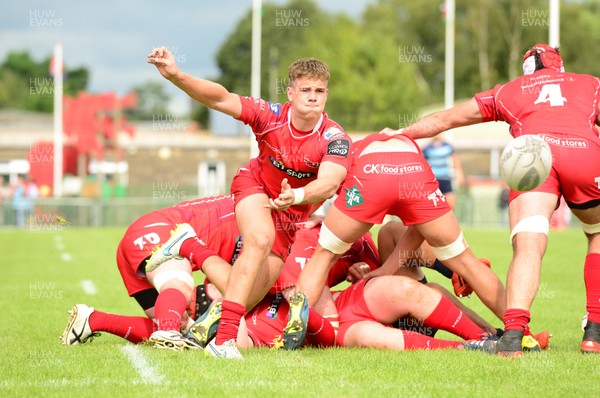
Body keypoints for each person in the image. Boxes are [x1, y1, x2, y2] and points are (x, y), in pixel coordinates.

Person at [383, 44, 600, 356]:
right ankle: (594, 331)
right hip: (585, 154)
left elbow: (448, 119)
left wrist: (403, 131)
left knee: (528, 246)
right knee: (597, 233)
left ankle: (512, 335)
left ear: (526, 71)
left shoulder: (510, 91)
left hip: (533, 157)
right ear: (561, 67)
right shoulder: (590, 83)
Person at [147, 48, 352, 359]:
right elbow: (219, 98)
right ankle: (224, 342)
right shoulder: (270, 115)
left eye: (319, 90)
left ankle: (189, 247)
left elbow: (330, 183)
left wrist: (295, 196)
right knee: (259, 238)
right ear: (291, 92)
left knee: (244, 294)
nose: (313, 97)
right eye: (306, 90)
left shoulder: (335, 137)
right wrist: (177, 75)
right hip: (255, 186)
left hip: (291, 212)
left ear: (327, 94)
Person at [283, 132, 507, 349]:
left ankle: (486, 325)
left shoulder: (337, 186)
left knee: (387, 234)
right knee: (439, 278)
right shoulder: (393, 149)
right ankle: (503, 334)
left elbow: (324, 192)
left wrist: (377, 268)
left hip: (391, 298)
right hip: (384, 303)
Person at [60, 195, 241, 351]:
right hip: (161, 231)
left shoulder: (246, 206)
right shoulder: (254, 218)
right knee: (179, 286)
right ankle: (168, 332)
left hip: (144, 234)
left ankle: (93, 320)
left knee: (180, 323)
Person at [421, 135, 464, 209]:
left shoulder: (447, 146)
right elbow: (422, 163)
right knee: (432, 202)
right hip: (433, 179)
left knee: (450, 201)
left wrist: (459, 174)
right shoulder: (427, 148)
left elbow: (455, 159)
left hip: (445, 177)